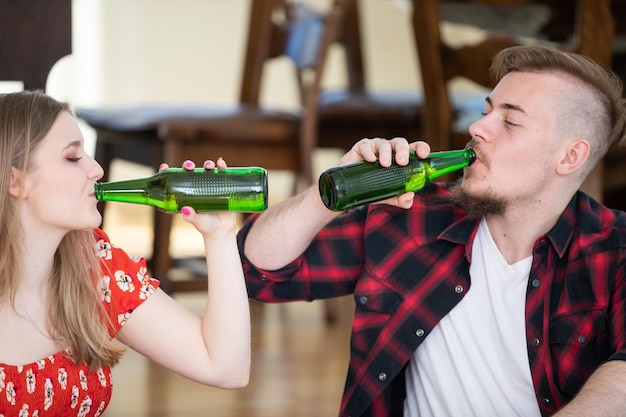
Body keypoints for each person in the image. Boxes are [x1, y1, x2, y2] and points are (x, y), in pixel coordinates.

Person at [238, 44, 626, 417]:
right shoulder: (412, 213)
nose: (477, 127)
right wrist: (329, 194)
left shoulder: (615, 250)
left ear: (570, 156)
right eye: (486, 110)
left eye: (509, 121)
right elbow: (255, 272)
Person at [0, 90, 250, 416]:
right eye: (73, 158)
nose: (97, 170)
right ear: (15, 181)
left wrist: (220, 236)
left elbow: (225, 367)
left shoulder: (96, 267)